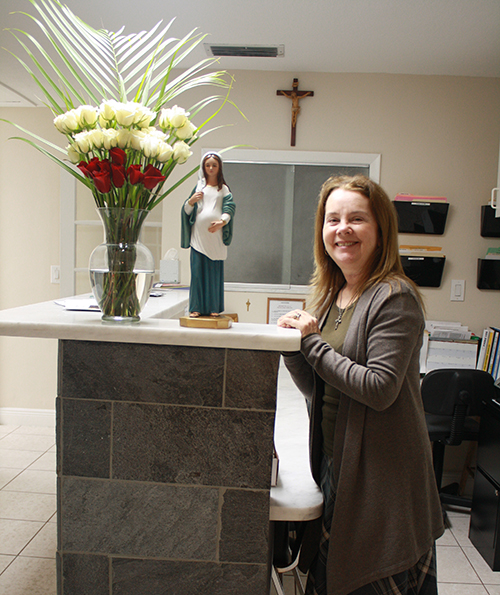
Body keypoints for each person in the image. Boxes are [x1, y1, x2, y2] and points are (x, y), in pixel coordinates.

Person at [277, 175, 444, 595]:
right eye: (332, 219)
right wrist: (292, 349)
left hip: (380, 479)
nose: (342, 229)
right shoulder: (334, 294)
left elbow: (379, 388)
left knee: (366, 577)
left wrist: (312, 343)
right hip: (340, 463)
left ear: (380, 229)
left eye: (357, 218)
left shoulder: (393, 297)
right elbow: (323, 390)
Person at [181, 151, 235, 317]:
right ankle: (196, 307)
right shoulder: (198, 188)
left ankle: (213, 307)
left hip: (215, 238)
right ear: (203, 168)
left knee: (213, 273)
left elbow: (230, 207)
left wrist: (222, 222)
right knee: (197, 273)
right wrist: (190, 202)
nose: (211, 168)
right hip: (198, 237)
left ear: (219, 168)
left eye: (214, 165)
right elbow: (187, 210)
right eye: (208, 165)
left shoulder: (223, 189)